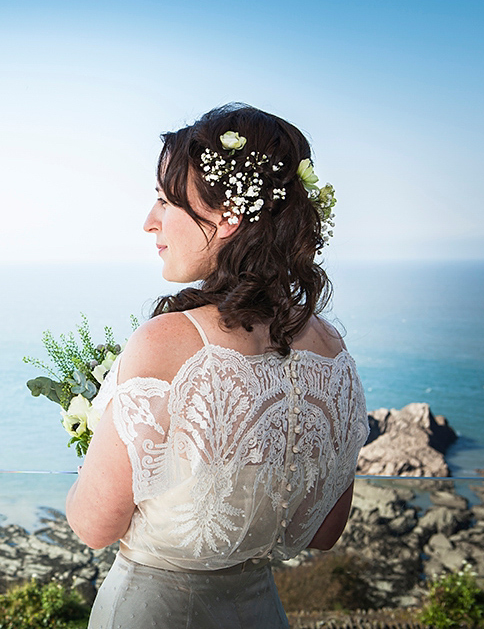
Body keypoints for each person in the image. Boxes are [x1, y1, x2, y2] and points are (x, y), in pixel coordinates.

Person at [65, 103, 369, 628]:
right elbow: (324, 532)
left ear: (228, 215)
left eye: (165, 200)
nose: (149, 222)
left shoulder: (168, 343)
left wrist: (99, 436)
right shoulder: (333, 354)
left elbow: (94, 526)